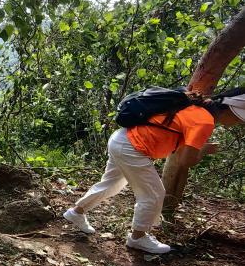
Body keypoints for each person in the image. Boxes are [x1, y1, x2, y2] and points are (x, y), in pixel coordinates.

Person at [63, 93, 245, 254]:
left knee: (111, 184)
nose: (238, 123)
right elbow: (185, 161)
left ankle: (76, 212)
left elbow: (179, 148)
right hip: (132, 147)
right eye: (239, 119)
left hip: (121, 138)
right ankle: (137, 237)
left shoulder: (196, 110)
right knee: (154, 193)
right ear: (230, 110)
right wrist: (204, 151)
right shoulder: (205, 121)